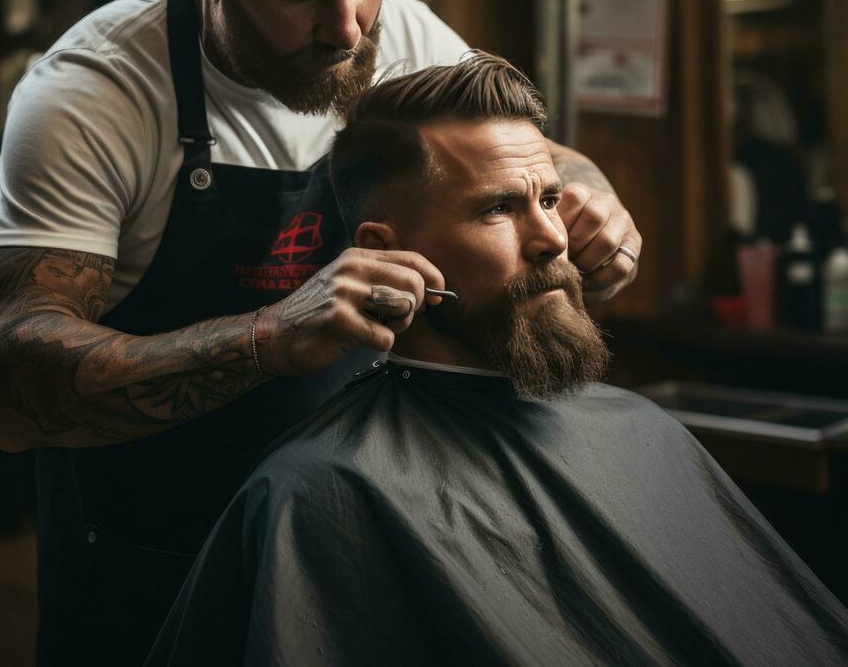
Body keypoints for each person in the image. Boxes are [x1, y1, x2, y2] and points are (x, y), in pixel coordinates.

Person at [0, 0, 642, 665]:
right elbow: (12, 388)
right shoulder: (94, 96)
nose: (348, 30)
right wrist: (265, 338)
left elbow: (540, 164)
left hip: (354, 530)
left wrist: (592, 201)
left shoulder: (401, 39)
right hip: (152, 564)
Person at [148, 53, 848, 667]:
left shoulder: (642, 429)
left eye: (549, 199)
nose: (551, 239)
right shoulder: (323, 492)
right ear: (385, 250)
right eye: (498, 209)